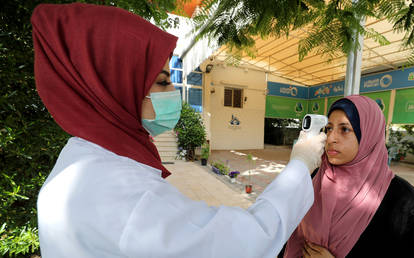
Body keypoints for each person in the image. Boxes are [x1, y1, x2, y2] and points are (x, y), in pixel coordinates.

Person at [32, 3, 326, 257]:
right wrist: (300, 164)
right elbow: (245, 243)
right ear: (112, 87)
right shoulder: (124, 200)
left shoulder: (78, 161)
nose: (173, 92)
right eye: (162, 82)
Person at [281, 96, 414, 258]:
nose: (331, 138)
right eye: (329, 129)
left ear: (369, 135)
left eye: (344, 129)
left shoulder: (399, 198)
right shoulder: (315, 178)